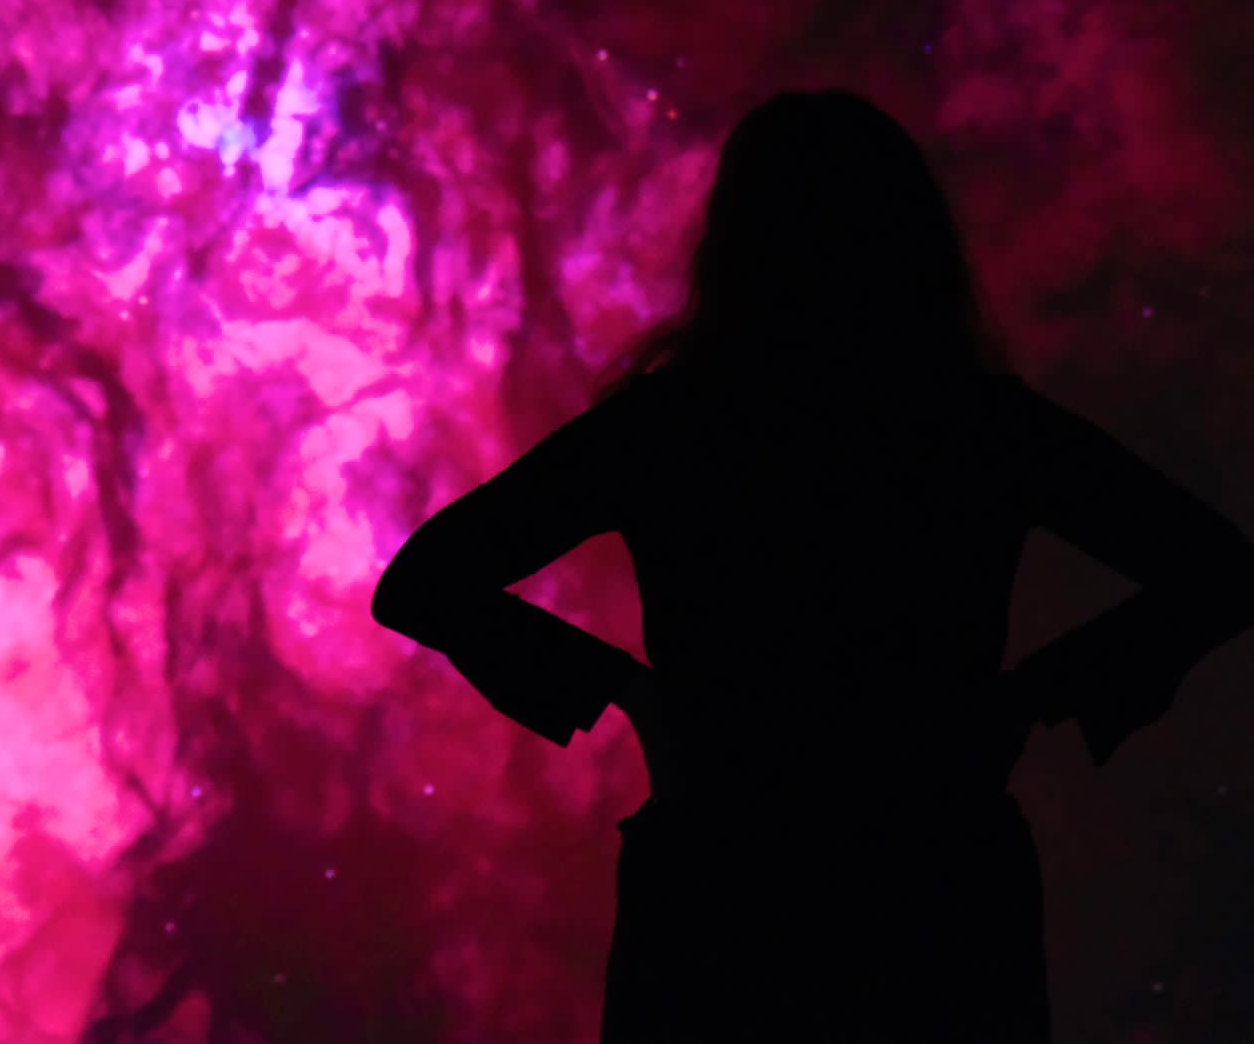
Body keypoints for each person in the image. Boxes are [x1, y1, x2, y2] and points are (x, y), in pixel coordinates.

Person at [371, 91, 1254, 1042]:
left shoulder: (671, 430)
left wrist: (627, 691)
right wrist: (1035, 692)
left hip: (725, 880)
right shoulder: (981, 429)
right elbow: (1220, 569)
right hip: (934, 881)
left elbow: (425, 580)